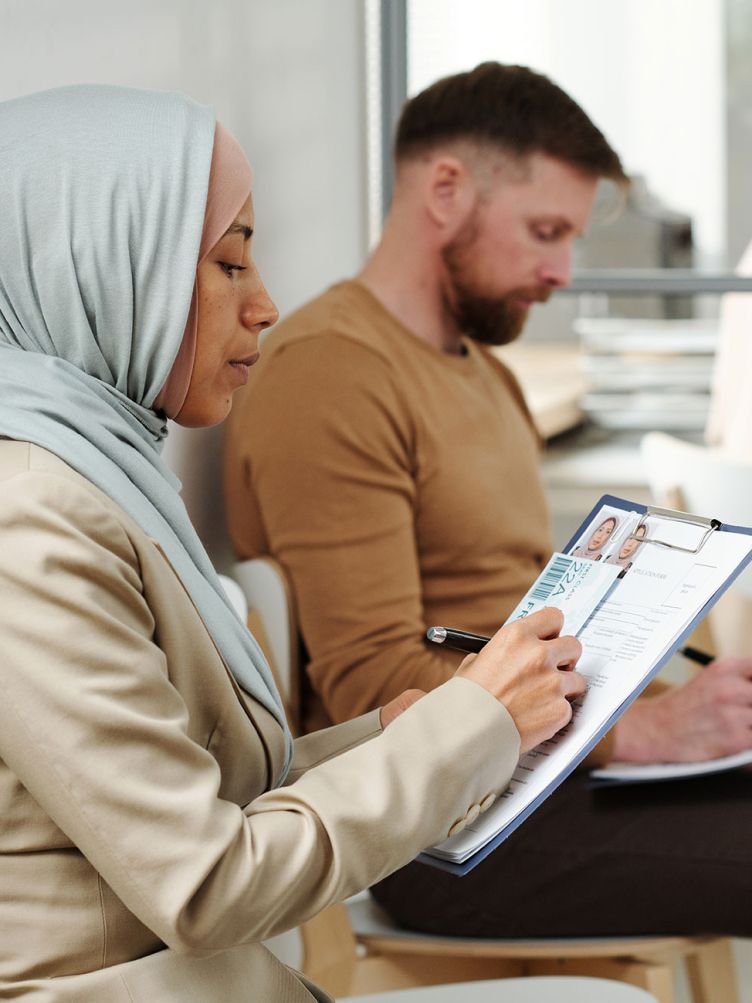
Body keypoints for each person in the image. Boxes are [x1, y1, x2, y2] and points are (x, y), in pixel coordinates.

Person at [0, 84, 588, 1002]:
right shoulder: (30, 517)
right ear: (98, 263)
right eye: (228, 263)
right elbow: (206, 883)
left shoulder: (96, 472)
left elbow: (191, 795)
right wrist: (470, 725)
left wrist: (403, 733)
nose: (266, 304)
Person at [224, 62, 752, 938]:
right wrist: (642, 734)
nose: (562, 271)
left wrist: (674, 703)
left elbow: (517, 618)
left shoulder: (487, 375)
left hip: (550, 774)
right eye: (546, 230)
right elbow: (373, 692)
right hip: (448, 831)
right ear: (445, 188)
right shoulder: (333, 371)